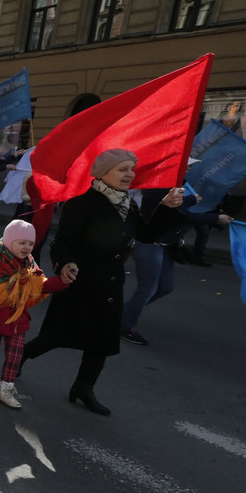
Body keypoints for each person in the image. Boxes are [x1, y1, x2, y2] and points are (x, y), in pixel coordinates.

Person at [22, 149, 184, 415]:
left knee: (102, 341)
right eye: (123, 169)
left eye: (131, 169)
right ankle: (20, 357)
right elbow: (62, 242)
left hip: (110, 282)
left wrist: (166, 207)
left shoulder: (127, 204)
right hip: (82, 280)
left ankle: (83, 388)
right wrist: (67, 263)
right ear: (102, 173)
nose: (129, 174)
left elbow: (147, 234)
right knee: (55, 336)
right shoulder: (82, 202)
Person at [0, 219, 75, 409]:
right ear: (10, 242)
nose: (27, 247)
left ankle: (4, 389)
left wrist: (62, 280)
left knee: (15, 357)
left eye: (31, 244)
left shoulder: (29, 263)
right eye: (22, 243)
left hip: (17, 319)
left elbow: (40, 286)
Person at [119, 187, 230, 345]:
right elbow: (180, 214)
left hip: (165, 245)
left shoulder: (175, 185)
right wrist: (215, 218)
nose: (188, 168)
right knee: (148, 288)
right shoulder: (157, 188)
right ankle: (125, 324)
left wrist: (193, 199)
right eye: (188, 165)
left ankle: (121, 314)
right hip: (150, 243)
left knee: (166, 286)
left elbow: (180, 206)